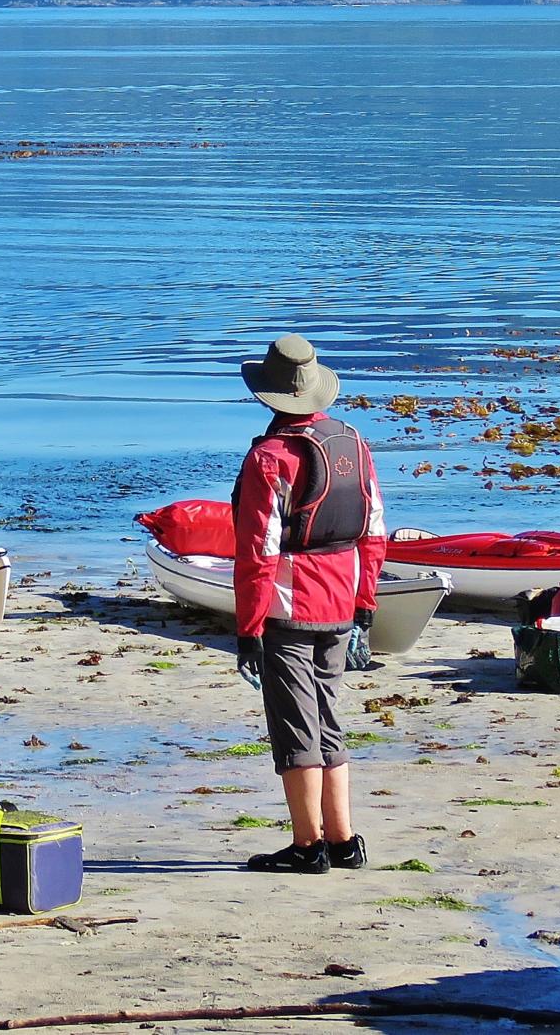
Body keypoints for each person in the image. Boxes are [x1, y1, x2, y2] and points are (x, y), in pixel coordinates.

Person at [230, 334, 386, 874]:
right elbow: (374, 533)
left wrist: (248, 626)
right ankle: (343, 839)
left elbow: (257, 552)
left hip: (288, 605)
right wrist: (365, 602)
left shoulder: (269, 459)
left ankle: (307, 845)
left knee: (296, 724)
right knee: (326, 716)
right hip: (343, 597)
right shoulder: (353, 444)